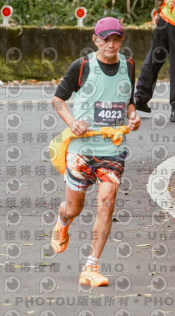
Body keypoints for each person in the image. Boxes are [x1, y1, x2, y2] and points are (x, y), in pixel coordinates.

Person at [49, 17, 140, 287]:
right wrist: (72, 123)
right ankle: (62, 221)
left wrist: (133, 116)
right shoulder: (83, 66)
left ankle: (92, 266)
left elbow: (129, 100)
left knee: (107, 201)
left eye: (116, 39)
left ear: (122, 40)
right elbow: (58, 100)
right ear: (95, 40)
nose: (111, 44)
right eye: (105, 39)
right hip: (81, 149)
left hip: (113, 149)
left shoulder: (129, 65)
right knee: (73, 208)